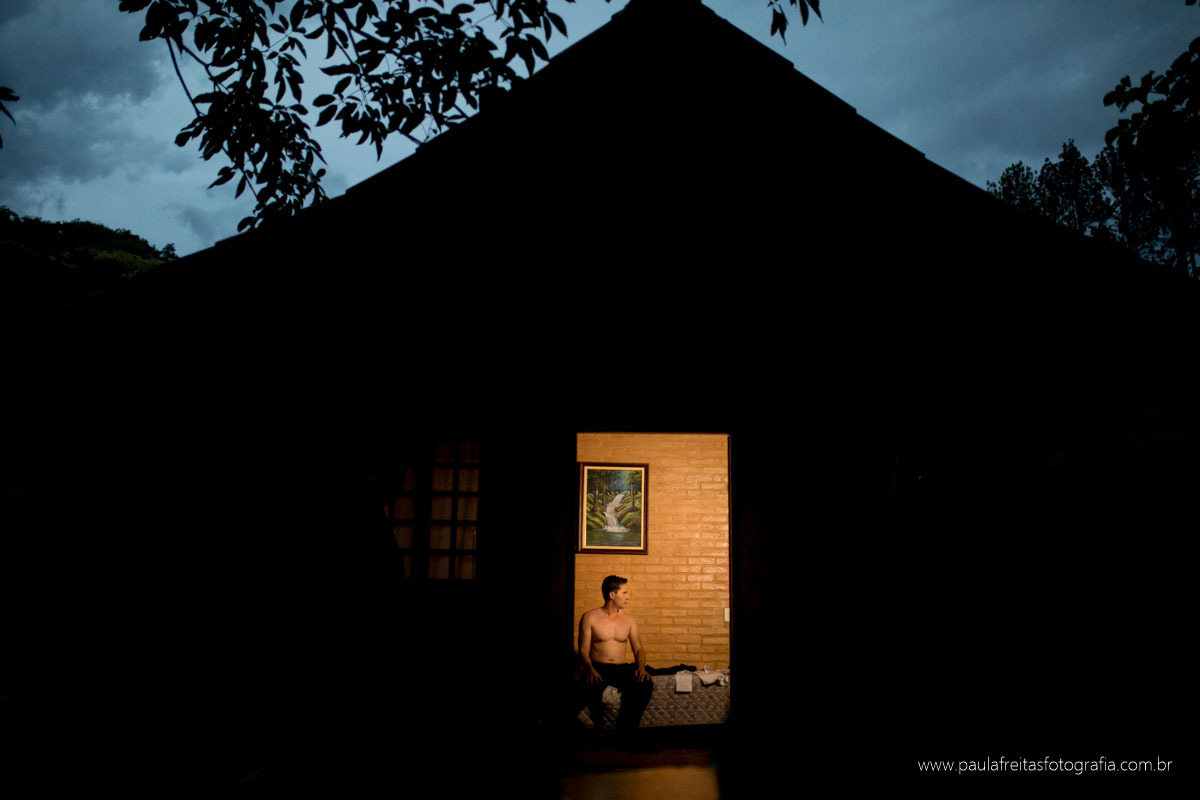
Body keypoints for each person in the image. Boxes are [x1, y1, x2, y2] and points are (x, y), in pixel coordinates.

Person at [574, 575, 654, 730]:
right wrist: (590, 669)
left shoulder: (629, 620)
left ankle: (626, 729)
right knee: (576, 692)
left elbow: (638, 649)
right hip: (597, 668)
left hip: (620, 669)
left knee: (644, 683)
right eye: (624, 593)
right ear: (612, 595)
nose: (628, 597)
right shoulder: (590, 617)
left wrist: (641, 668)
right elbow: (583, 649)